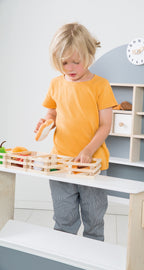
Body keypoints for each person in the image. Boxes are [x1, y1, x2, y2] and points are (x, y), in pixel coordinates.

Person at [35, 23, 117, 241]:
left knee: (94, 221)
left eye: (76, 62)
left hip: (93, 165)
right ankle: (63, 258)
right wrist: (45, 123)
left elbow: (105, 125)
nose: (69, 68)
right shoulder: (56, 84)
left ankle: (92, 259)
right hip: (60, 162)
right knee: (63, 220)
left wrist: (88, 151)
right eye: (64, 62)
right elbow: (51, 114)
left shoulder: (101, 86)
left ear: (89, 55)